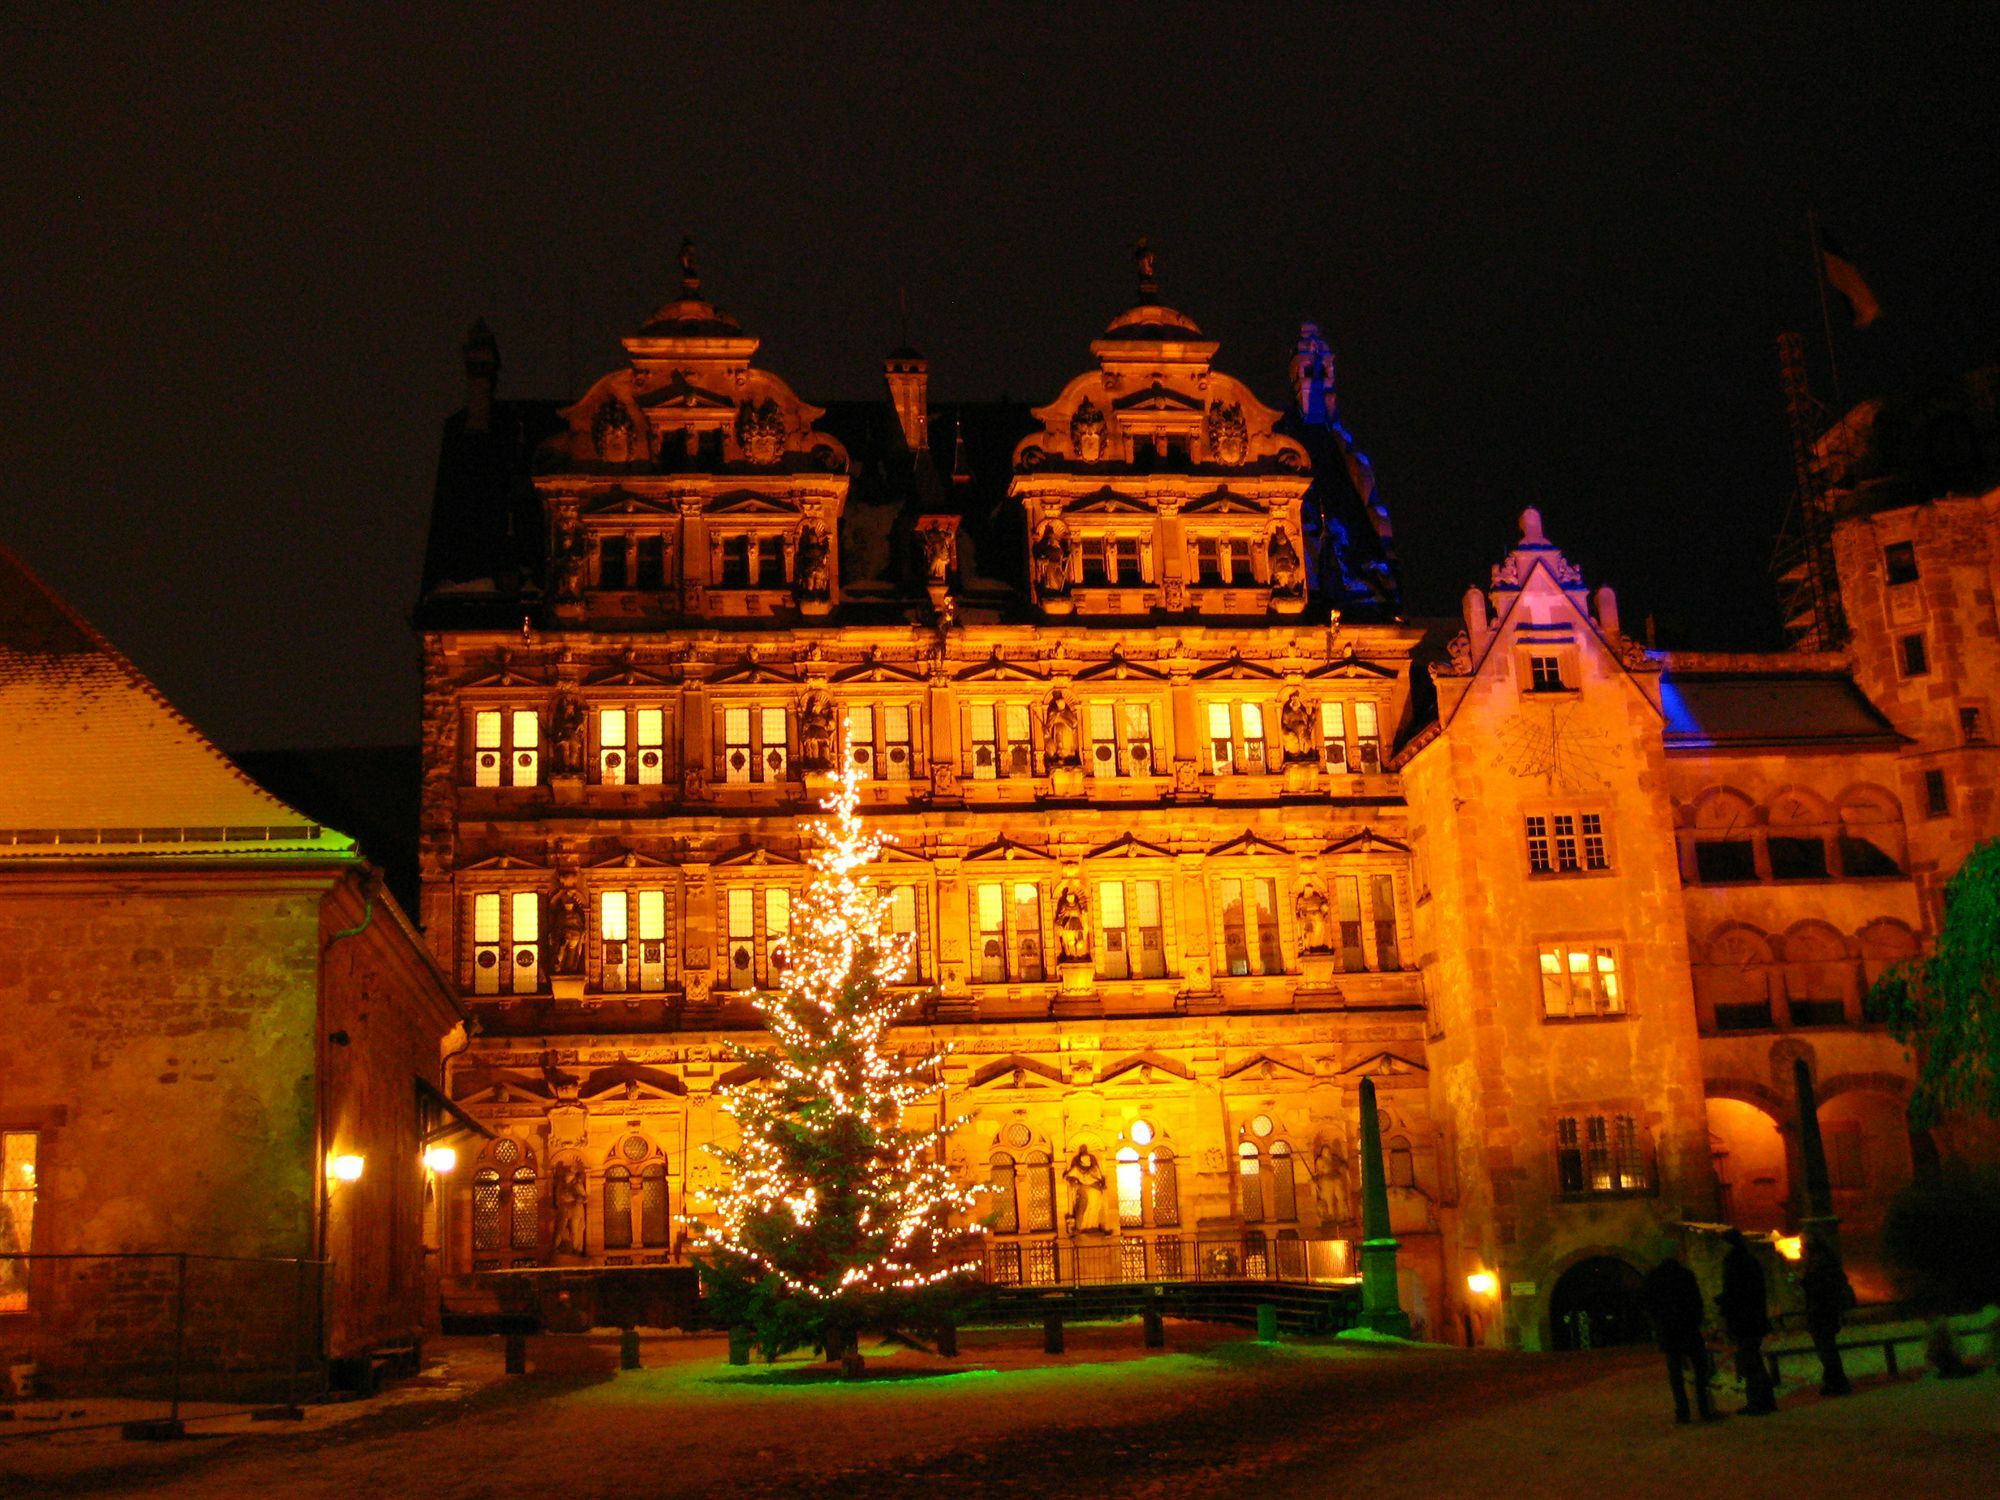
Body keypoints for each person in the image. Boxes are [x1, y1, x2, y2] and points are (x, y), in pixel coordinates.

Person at [1641, 1254, 1715, 1423]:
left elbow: (1647, 1303)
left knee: (1675, 1373)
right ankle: (1704, 1407)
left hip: (1668, 1330)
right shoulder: (1685, 1275)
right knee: (1700, 1369)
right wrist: (1696, 1320)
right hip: (1688, 1327)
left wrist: (1657, 1323)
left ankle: (1682, 1412)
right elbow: (1696, 1301)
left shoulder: (1654, 1277)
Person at [1717, 1229, 1778, 1414]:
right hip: (1752, 1318)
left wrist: (1724, 1303)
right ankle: (1764, 1401)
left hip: (1745, 1319)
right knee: (1753, 1360)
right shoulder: (1748, 1262)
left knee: (1750, 1362)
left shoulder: (1736, 1264)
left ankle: (1758, 1403)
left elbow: (1738, 1294)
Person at [1799, 1235, 1855, 1395]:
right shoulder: (1826, 1262)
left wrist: (1805, 1282)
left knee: (1826, 1349)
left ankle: (1836, 1383)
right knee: (1827, 1348)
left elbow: (1819, 1290)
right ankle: (1834, 1381)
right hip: (1826, 1312)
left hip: (1821, 1312)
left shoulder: (1818, 1265)